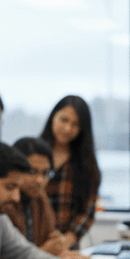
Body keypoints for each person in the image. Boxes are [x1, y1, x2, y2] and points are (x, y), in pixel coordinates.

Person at [40, 95, 102, 248]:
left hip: (67, 246)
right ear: (53, 117)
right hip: (32, 244)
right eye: (64, 120)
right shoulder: (35, 154)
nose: (68, 128)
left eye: (76, 124)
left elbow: (88, 210)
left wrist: (67, 240)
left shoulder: (86, 164)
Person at [5, 137, 70, 255]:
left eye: (45, 173)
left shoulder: (39, 196)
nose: (40, 180)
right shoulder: (3, 201)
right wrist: (45, 251)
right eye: (32, 172)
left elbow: (52, 238)